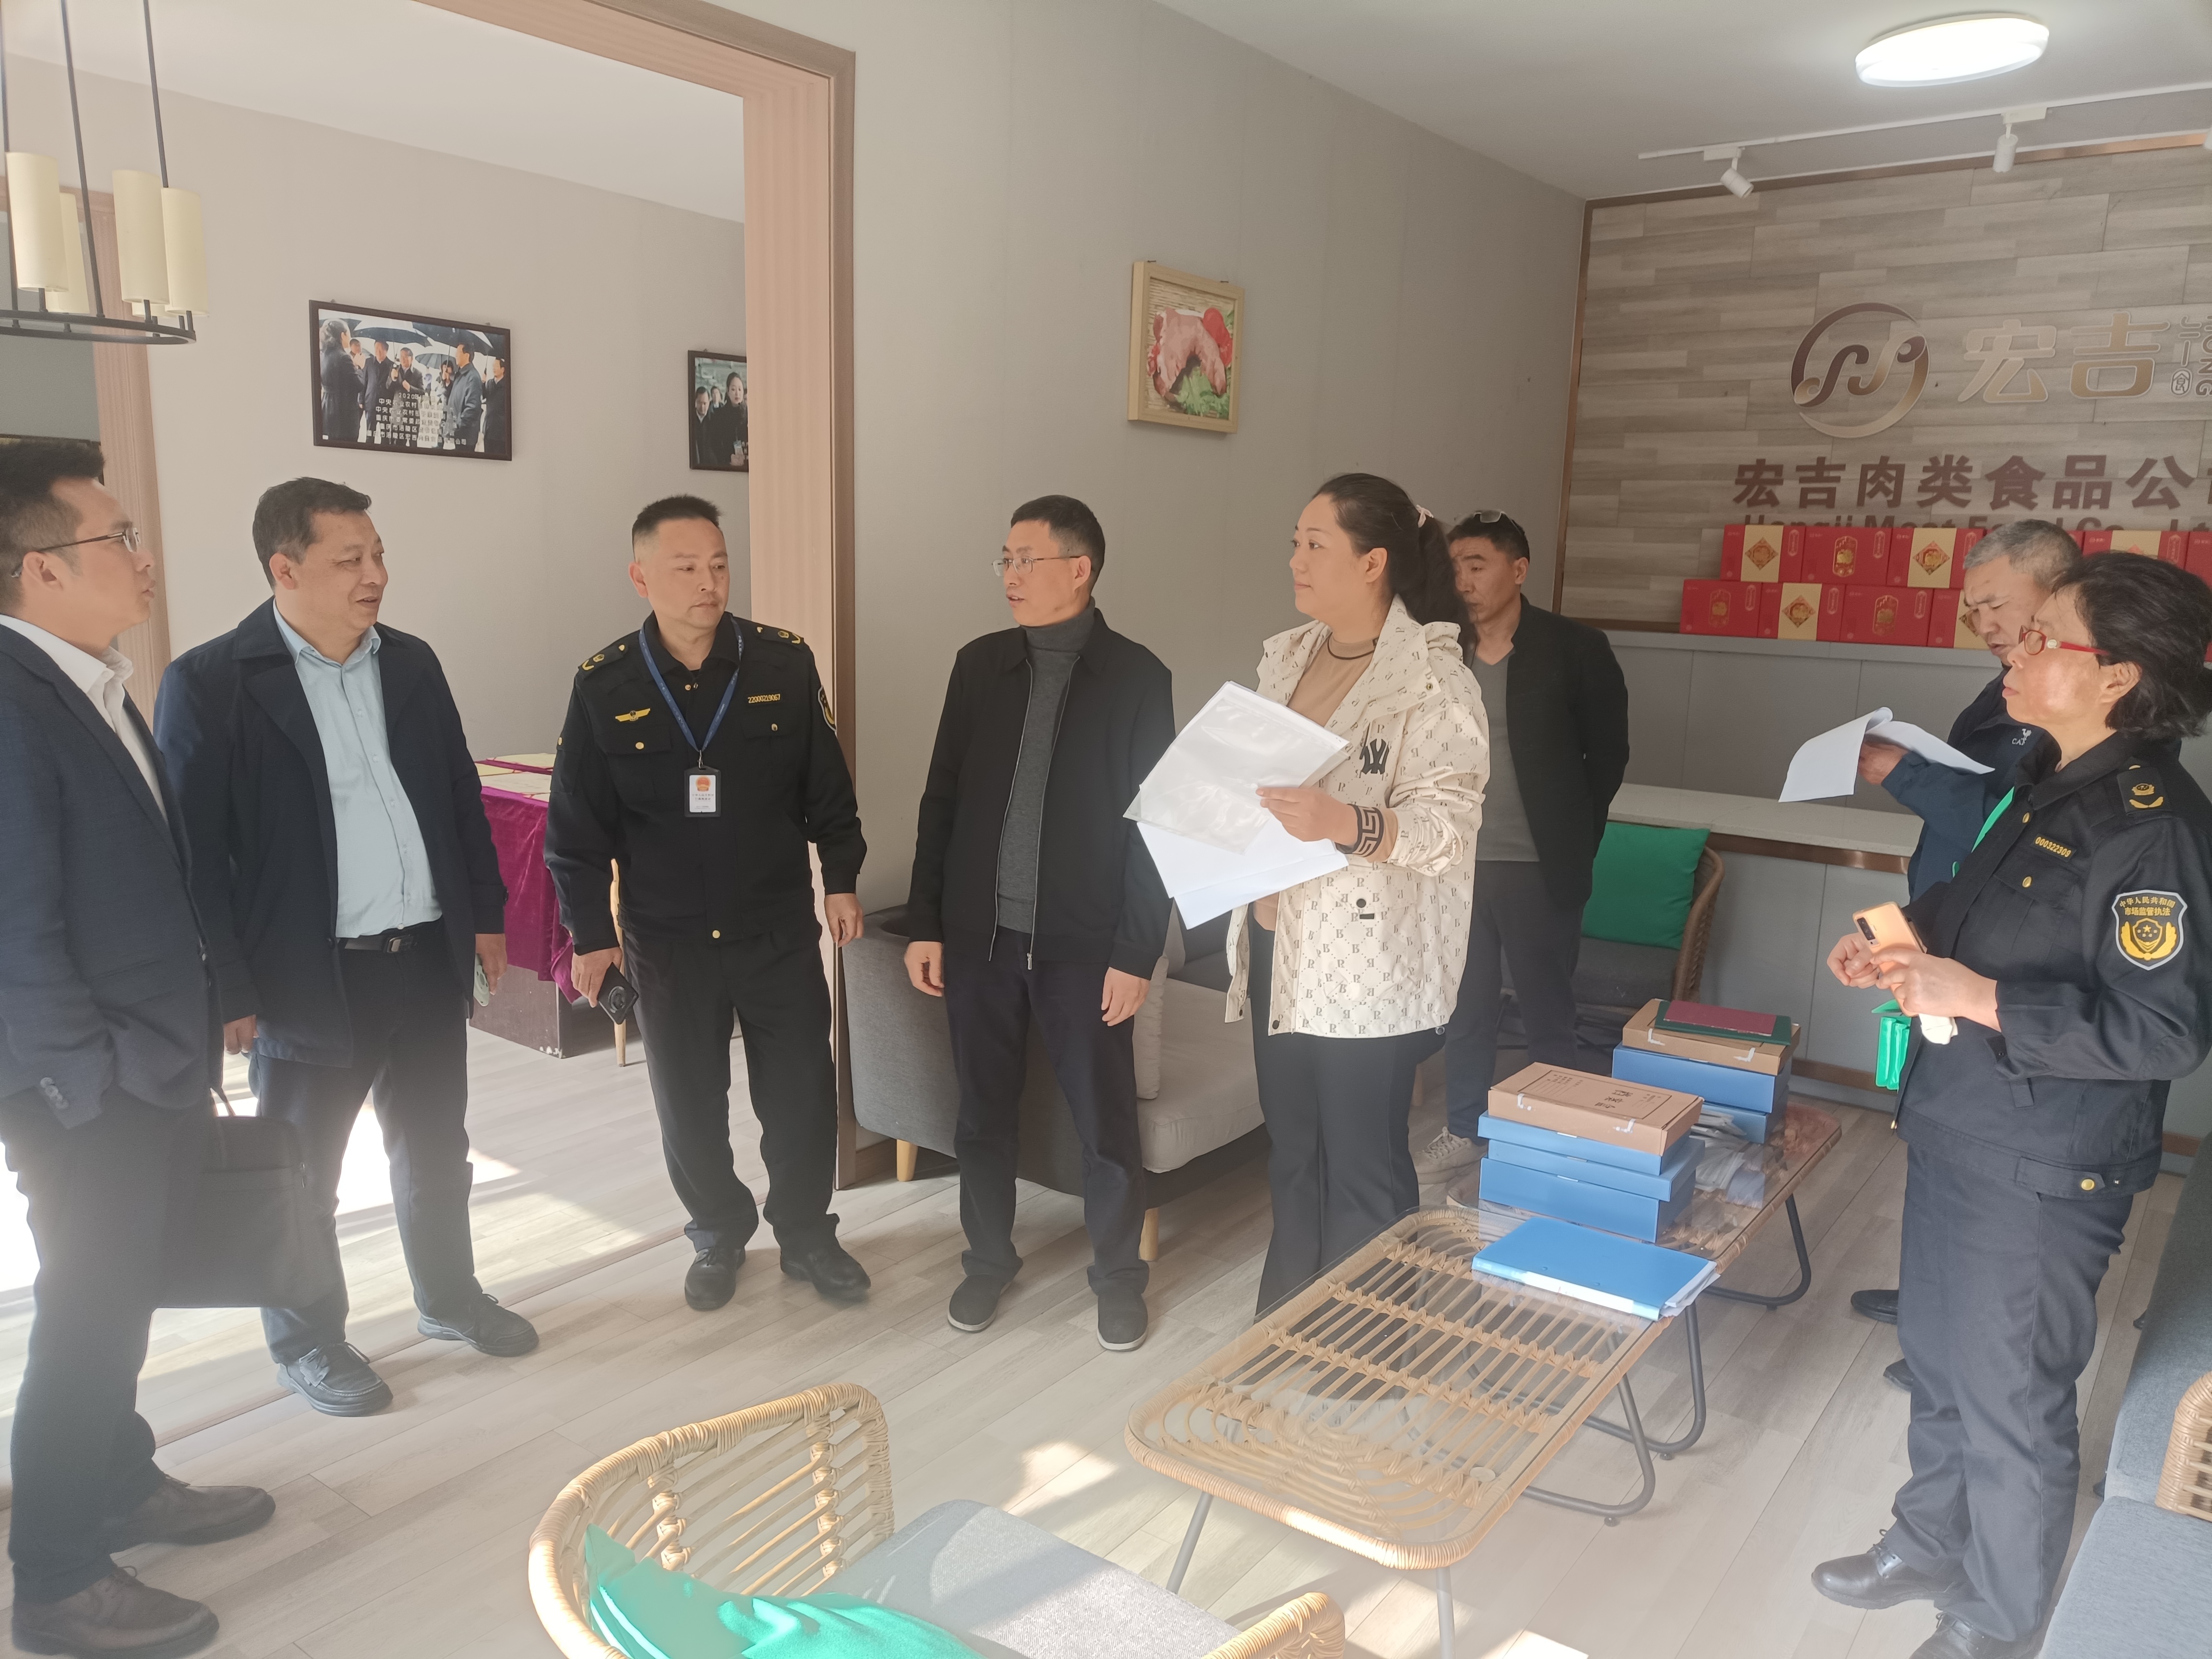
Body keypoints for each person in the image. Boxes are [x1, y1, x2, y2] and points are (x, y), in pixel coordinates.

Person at [1812, 553, 2212, 1659]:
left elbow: (2165, 1032)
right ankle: (1929, 1541)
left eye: (2046, 638)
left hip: (2043, 1162)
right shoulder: (2044, 775)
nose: (2017, 653)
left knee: (2010, 1400)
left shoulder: (2152, 826)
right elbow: (1972, 908)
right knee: (1942, 1363)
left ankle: (1996, 1620)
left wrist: (1976, 996)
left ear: (2118, 676)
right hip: (1963, 1122)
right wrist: (1897, 940)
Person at [156, 478, 535, 1419]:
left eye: (378, 554)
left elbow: (458, 799)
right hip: (307, 977)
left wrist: (485, 915)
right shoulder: (212, 684)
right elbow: (194, 857)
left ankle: (449, 1297)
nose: (377, 575)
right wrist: (227, 984)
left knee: (437, 1149)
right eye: (350, 560)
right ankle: (307, 1341)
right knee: (303, 1175)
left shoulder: (409, 663)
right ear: (284, 570)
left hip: (425, 957)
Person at [0, 440, 275, 1659]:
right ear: (42, 568)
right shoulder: (11, 702)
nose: (143, 555)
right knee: (88, 1315)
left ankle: (118, 1479)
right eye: (116, 537)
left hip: (139, 1062)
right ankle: (58, 1577)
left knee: (121, 1296)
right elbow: (14, 924)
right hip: (85, 1090)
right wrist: (88, 1084)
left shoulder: (90, 682)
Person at [545, 496, 871, 1312]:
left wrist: (840, 878)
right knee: (688, 1105)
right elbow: (574, 830)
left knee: (800, 1095)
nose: (708, 583)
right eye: (686, 567)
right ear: (641, 577)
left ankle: (807, 1233)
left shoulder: (782, 665)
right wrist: (591, 935)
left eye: (719, 565)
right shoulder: (604, 684)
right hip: (667, 941)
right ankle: (717, 1231)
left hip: (774, 929)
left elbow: (828, 790)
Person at [903, 495, 1174, 1351]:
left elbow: (1157, 827)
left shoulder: (1137, 677)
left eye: (1026, 560)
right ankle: (987, 1260)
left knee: (1104, 1123)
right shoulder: (979, 666)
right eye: (1006, 560)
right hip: (979, 941)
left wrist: (1135, 952)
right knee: (980, 1115)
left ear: (1079, 569)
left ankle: (1118, 1279)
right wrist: (924, 922)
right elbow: (941, 798)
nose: (1010, 576)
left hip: (1084, 949)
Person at [1230, 473, 1487, 1315]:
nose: (1295, 560)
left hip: (1367, 960)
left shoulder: (1433, 679)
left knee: (1362, 1159)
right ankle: (1285, 1320)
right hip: (1276, 936)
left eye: (1316, 544)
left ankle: (1359, 1346)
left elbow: (1447, 830)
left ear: (1373, 562)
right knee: (1293, 1148)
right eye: (1294, 543)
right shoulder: (1286, 656)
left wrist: (1346, 822)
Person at [1845, 520, 2077, 1369]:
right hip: (1945, 934)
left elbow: (2004, 826)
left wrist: (1898, 770)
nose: (1983, 623)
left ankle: (1955, 1343)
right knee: (1935, 1130)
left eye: (1995, 604)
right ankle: (1931, 1303)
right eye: (1972, 608)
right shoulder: (1999, 693)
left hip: (1999, 969)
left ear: (2057, 596)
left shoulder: (2073, 713)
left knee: (1983, 1153)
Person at [1415, 510, 1628, 1178]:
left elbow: (1609, 757)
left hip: (1538, 865)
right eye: (1455, 566)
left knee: (1547, 1009)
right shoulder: (1440, 649)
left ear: (1519, 569)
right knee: (1467, 1009)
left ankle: (1552, 1136)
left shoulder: (1575, 648)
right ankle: (1465, 1128)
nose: (1464, 579)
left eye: (1477, 565)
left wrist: (1574, 837)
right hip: (1455, 863)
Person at [319, 318, 362, 445]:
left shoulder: (324, 355)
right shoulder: (344, 357)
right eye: (349, 334)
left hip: (329, 410)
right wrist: (359, 368)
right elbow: (358, 385)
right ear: (343, 335)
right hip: (344, 414)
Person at [442, 343, 485, 453]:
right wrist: (448, 383)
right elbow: (454, 398)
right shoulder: (460, 375)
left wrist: (458, 427)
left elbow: (472, 408)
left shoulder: (473, 377)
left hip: (465, 436)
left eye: (458, 352)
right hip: (457, 433)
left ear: (467, 355)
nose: (456, 355)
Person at [483, 356, 510, 456]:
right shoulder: (490, 383)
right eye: (493, 366)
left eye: (496, 366)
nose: (494, 368)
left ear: (503, 369)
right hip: (489, 429)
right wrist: (483, 383)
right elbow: (483, 396)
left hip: (500, 432)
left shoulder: (507, 385)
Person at [689, 386, 717, 469]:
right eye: (700, 403)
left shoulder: (714, 420)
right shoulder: (690, 418)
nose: (702, 407)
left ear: (709, 402)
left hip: (710, 465)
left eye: (705, 403)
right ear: (695, 402)